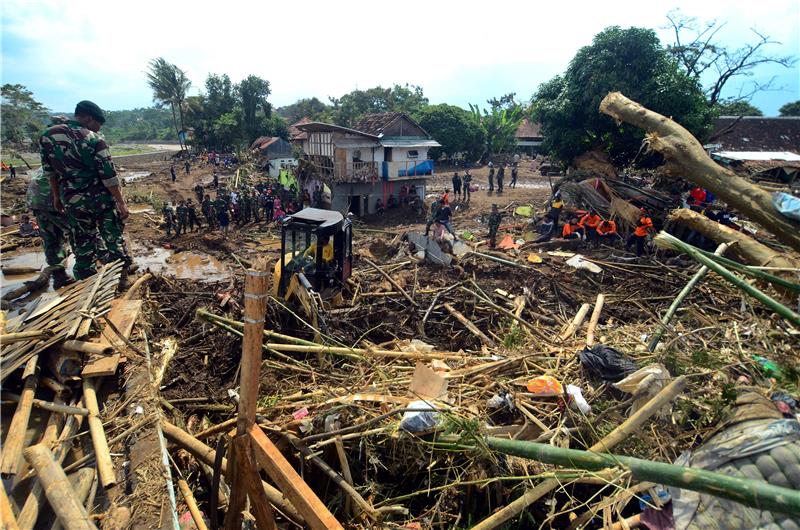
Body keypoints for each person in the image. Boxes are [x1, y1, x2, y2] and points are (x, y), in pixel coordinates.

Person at [39, 100, 131, 281]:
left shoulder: (47, 137)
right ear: (89, 118)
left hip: (72, 199)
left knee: (81, 241)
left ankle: (86, 281)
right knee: (112, 238)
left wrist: (57, 196)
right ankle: (121, 277)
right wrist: (120, 201)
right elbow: (109, 176)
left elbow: (49, 171)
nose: (98, 128)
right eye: (98, 123)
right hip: (100, 198)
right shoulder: (94, 139)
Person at [26, 156, 75, 288]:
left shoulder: (49, 163)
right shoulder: (69, 162)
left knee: (51, 238)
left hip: (36, 201)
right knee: (79, 233)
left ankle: (59, 276)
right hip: (50, 199)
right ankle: (87, 271)